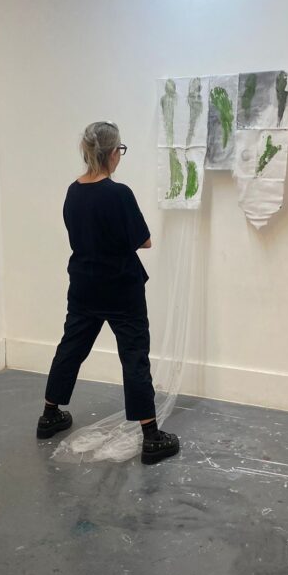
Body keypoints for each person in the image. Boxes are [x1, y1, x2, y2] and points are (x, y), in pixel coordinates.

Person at [38, 121, 180, 465]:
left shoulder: (73, 191)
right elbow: (144, 240)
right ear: (113, 153)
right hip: (120, 287)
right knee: (133, 355)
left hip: (84, 284)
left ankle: (49, 415)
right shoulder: (119, 193)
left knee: (71, 348)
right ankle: (151, 436)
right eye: (121, 150)